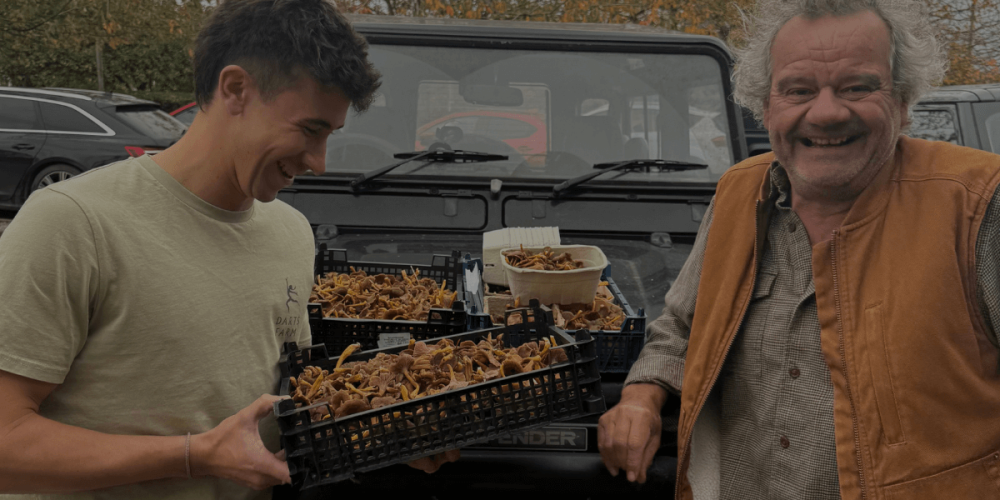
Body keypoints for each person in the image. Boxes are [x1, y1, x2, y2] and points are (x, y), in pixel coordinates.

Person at [597, 0, 1000, 499]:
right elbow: (681, 328)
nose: (827, 112)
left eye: (858, 86)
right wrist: (640, 397)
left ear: (902, 99)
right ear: (766, 105)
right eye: (799, 90)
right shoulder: (739, 193)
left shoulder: (979, 203)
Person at [0, 0, 385, 498]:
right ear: (236, 89)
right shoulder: (73, 221)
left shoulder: (290, 232)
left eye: (330, 135)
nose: (320, 161)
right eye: (310, 130)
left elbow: (277, 413)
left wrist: (387, 436)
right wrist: (193, 455)